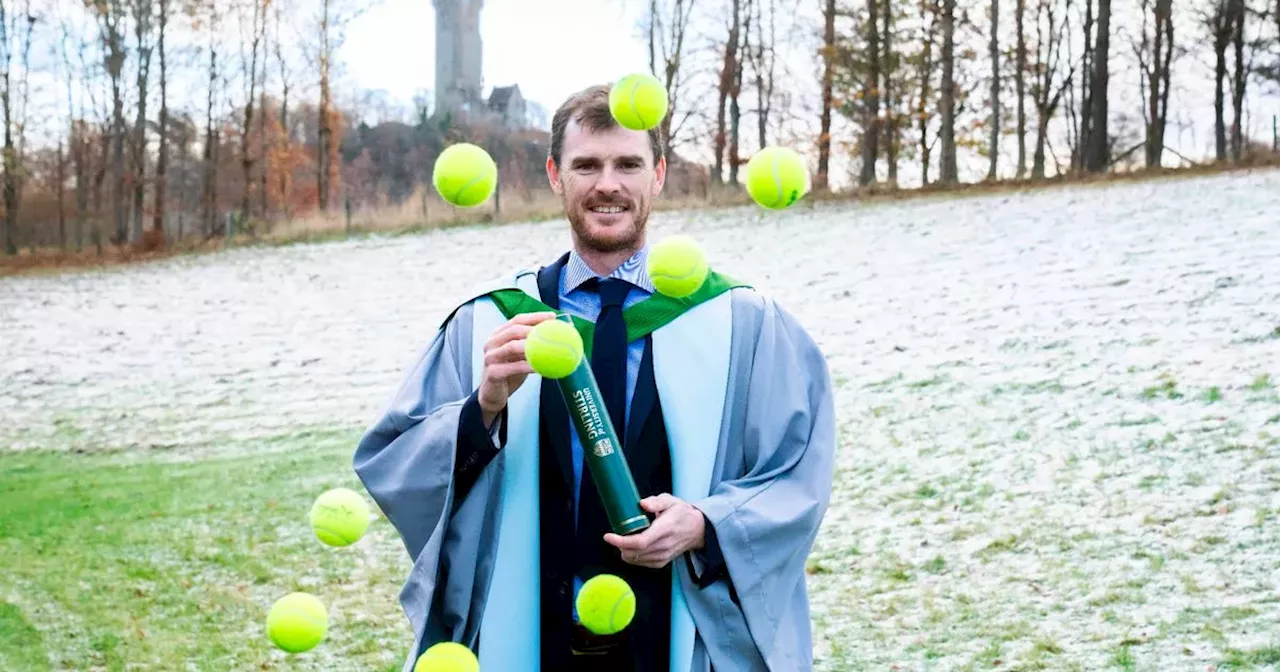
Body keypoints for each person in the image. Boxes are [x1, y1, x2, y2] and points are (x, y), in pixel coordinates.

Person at [352, 83, 835, 672]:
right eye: (587, 165)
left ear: (657, 175)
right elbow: (394, 458)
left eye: (628, 163)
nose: (608, 184)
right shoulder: (489, 322)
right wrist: (482, 410)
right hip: (528, 630)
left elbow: (796, 469)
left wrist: (706, 523)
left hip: (680, 630)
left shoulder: (741, 322)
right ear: (557, 176)